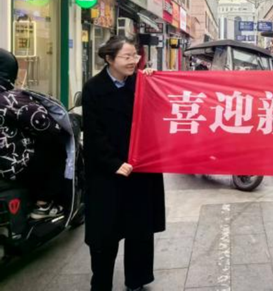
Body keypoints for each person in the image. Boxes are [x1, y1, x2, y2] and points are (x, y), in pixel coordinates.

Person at [82, 36, 165, 291]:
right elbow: (93, 134)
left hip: (141, 169)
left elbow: (162, 112)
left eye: (135, 56)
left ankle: (137, 280)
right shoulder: (93, 88)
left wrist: (153, 82)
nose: (133, 61)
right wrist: (113, 163)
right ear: (109, 59)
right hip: (108, 172)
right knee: (104, 233)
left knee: (139, 229)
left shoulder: (141, 83)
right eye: (126, 57)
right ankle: (101, 283)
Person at [0, 48, 66, 219]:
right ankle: (44, 203)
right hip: (9, 168)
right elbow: (48, 127)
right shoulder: (12, 99)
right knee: (55, 147)